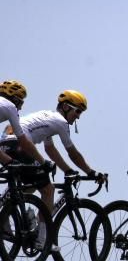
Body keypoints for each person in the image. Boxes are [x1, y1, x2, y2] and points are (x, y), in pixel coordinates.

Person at [0, 89, 102, 248]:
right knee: (48, 189)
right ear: (66, 107)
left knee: (31, 184)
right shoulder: (60, 123)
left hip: (6, 145)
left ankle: (6, 213)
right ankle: (42, 240)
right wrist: (91, 172)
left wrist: (67, 170)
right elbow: (73, 153)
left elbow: (50, 150)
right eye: (78, 111)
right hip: (20, 146)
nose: (79, 116)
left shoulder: (47, 118)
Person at [0, 80, 46, 168]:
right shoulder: (10, 106)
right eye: (21, 103)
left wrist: (7, 161)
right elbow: (23, 141)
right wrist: (43, 162)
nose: (20, 108)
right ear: (15, 99)